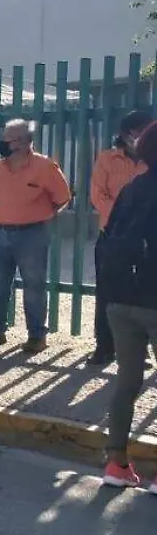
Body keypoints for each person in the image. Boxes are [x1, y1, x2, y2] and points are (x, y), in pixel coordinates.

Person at [0, 119, 71, 353]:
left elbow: (63, 198)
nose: (3, 142)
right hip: (1, 232)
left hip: (32, 234)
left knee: (34, 285)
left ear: (23, 142)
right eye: (4, 137)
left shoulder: (45, 166)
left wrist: (42, 217)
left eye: (8, 138)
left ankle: (37, 336)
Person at [96, 122, 157, 489]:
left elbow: (109, 233)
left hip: (120, 298)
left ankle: (116, 464)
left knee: (127, 382)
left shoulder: (132, 188)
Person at [89, 110, 152, 365]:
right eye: (138, 131)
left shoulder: (151, 162)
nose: (141, 136)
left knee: (142, 296)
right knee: (107, 293)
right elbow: (98, 195)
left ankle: (139, 350)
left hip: (146, 241)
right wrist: (123, 220)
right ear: (125, 134)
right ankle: (104, 346)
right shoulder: (107, 158)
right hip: (112, 237)